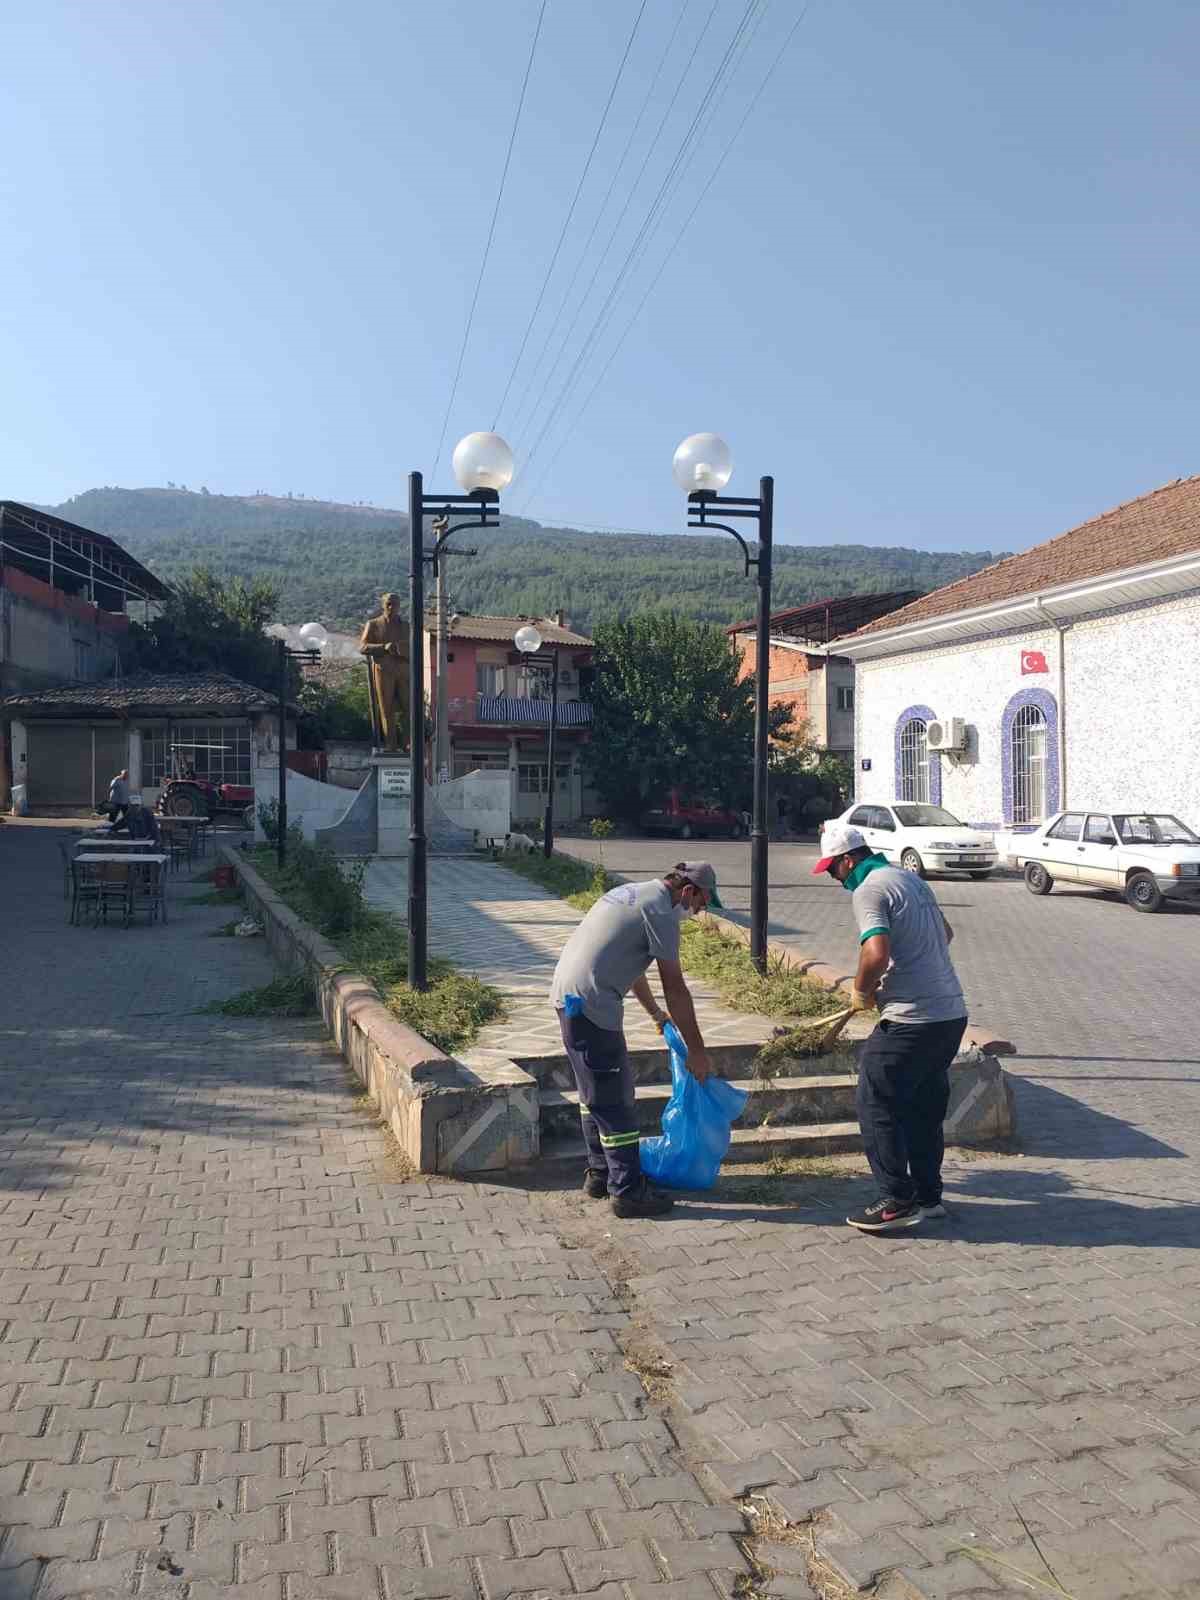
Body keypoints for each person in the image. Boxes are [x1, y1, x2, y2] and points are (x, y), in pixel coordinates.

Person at [813, 822, 967, 1233]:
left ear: (849, 860)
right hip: (950, 1015)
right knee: (922, 1108)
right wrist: (907, 967)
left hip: (912, 1019)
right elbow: (945, 934)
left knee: (874, 1101)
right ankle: (929, 1197)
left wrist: (863, 990)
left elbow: (875, 950)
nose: (835, 879)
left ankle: (896, 1201)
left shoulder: (869, 889)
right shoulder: (908, 879)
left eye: (833, 870)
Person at [550, 861, 722, 1219]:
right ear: (688, 891)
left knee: (593, 1094)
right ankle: (628, 1191)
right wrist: (698, 1052)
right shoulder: (661, 912)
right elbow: (676, 988)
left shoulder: (631, 893)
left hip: (570, 1001)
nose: (700, 911)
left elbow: (632, 966)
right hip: (592, 1004)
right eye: (702, 903)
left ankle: (601, 1173)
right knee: (616, 1100)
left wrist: (655, 1014)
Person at [358, 592, 410, 752]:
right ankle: (390, 745)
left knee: (410, 708)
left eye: (394, 604)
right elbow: (363, 647)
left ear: (399, 605)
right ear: (383, 605)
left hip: (404, 671)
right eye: (388, 603)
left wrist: (404, 650)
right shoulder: (373, 624)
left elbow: (414, 648)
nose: (391, 607)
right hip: (383, 670)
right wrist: (383, 647)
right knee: (386, 709)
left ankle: (408, 743)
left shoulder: (406, 626)